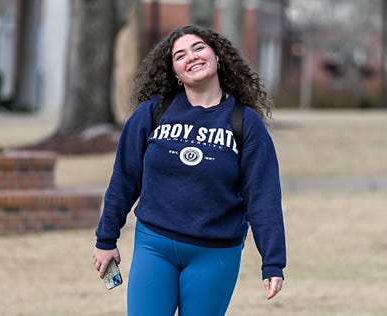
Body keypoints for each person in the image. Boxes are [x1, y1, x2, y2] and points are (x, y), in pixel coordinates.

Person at [93, 25, 286, 315]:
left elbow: (263, 196)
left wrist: (272, 261)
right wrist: (105, 239)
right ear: (174, 71)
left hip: (215, 253)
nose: (191, 57)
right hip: (153, 246)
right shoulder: (153, 112)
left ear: (217, 56)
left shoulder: (244, 122)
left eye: (198, 48)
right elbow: (124, 179)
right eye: (180, 55)